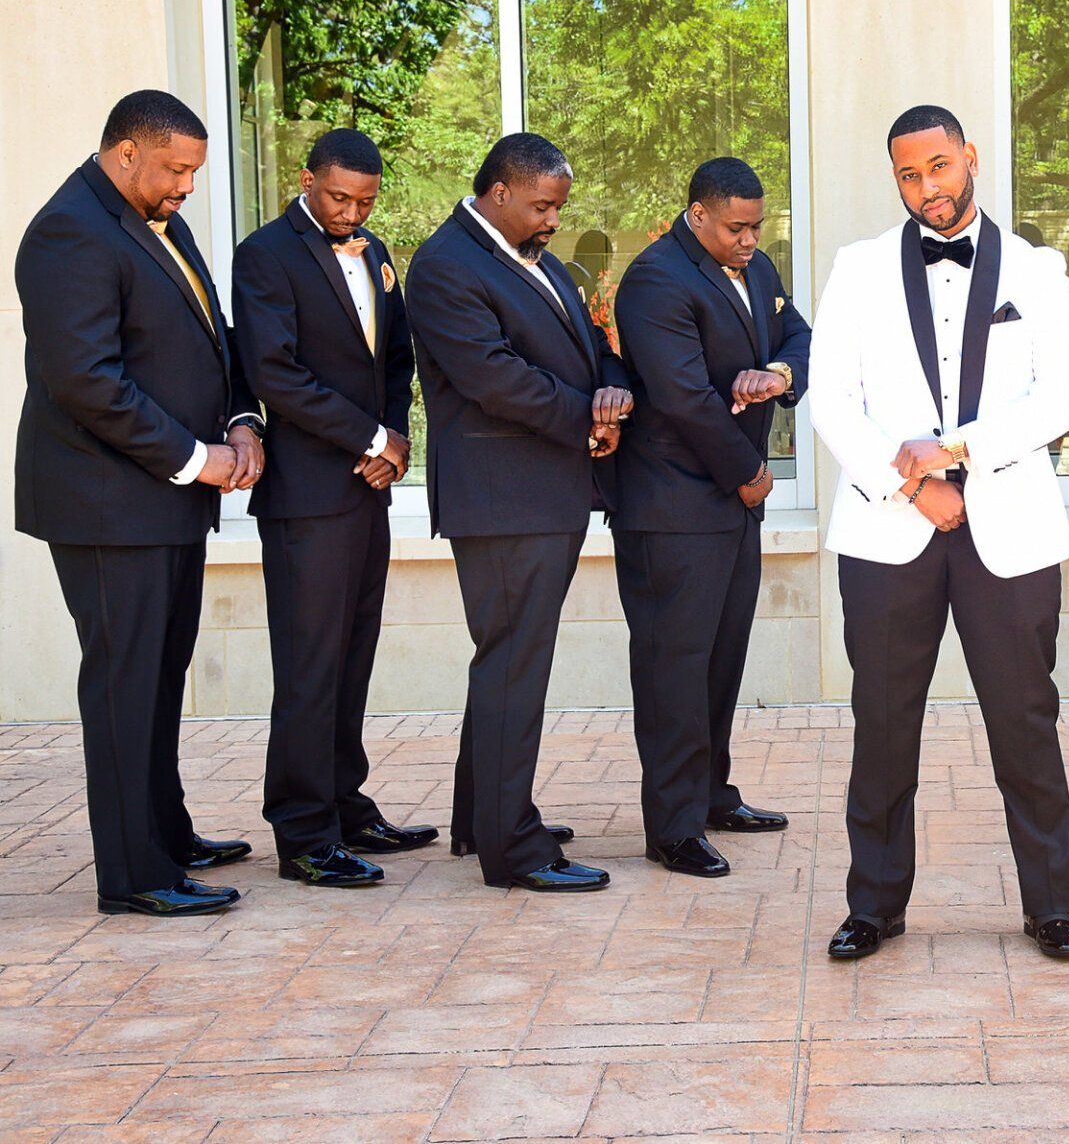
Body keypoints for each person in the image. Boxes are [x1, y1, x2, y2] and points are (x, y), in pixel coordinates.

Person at [810, 105, 1069, 960]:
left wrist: (958, 450)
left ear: (968, 156)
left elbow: (1063, 393)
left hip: (1011, 529)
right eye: (908, 174)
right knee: (883, 723)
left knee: (1025, 722)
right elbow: (832, 399)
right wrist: (913, 481)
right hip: (888, 530)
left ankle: (1051, 904)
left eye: (937, 166)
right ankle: (873, 905)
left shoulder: (1037, 269)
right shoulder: (857, 268)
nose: (926, 187)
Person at [15, 89, 263, 916]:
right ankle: (135, 875)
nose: (187, 186)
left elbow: (212, 336)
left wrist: (242, 419)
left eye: (194, 170)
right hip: (106, 505)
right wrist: (198, 459)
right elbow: (86, 381)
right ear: (126, 152)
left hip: (165, 501)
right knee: (125, 685)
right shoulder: (68, 231)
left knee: (159, 675)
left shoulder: (158, 218)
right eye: (176, 169)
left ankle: (166, 834)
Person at [406, 132, 632, 892]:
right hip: (503, 500)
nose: (553, 220)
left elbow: (589, 339)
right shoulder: (446, 264)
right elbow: (493, 377)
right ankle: (513, 849)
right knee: (513, 666)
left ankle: (482, 816)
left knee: (508, 660)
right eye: (542, 206)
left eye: (559, 207)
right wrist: (584, 421)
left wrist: (608, 386)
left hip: (544, 492)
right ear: (499, 193)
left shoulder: (535, 258)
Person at [232, 128, 438, 888]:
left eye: (365, 201)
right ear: (306, 180)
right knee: (309, 666)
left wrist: (394, 444)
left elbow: (396, 358)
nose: (352, 213)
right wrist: (368, 435)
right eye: (339, 197)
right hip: (306, 496)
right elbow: (274, 373)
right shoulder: (264, 254)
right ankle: (303, 832)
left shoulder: (376, 250)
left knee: (352, 656)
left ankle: (346, 806)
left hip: (366, 488)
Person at [611, 157, 811, 878]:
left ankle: (710, 793)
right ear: (698, 214)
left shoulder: (756, 267)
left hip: (729, 505)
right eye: (736, 227)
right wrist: (749, 473)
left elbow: (799, 337)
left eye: (757, 226)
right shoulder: (655, 279)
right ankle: (672, 827)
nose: (750, 240)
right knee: (674, 668)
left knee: (722, 658)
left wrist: (777, 375)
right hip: (672, 506)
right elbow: (683, 397)